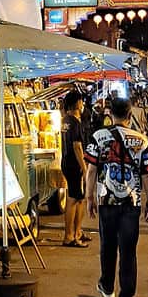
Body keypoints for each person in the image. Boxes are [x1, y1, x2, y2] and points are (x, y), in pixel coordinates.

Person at [85, 97, 148, 297]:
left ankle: (107, 287)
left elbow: (91, 170)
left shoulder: (99, 136)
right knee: (128, 249)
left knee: (107, 245)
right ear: (129, 114)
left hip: (106, 200)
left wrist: (89, 197)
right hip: (131, 201)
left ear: (109, 113)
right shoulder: (141, 140)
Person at [60, 91, 89, 248]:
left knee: (78, 198)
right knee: (73, 199)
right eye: (81, 101)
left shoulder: (65, 120)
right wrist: (84, 169)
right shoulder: (75, 122)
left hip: (66, 162)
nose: (82, 104)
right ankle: (69, 236)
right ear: (77, 103)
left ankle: (77, 232)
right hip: (74, 164)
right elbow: (77, 146)